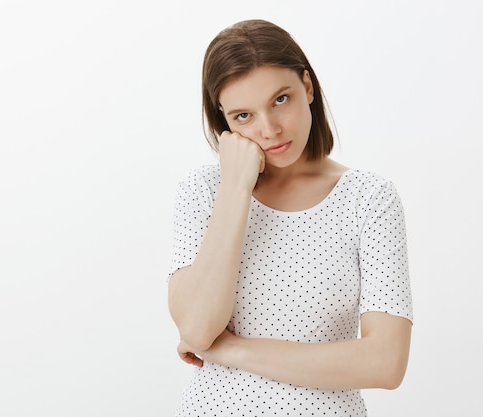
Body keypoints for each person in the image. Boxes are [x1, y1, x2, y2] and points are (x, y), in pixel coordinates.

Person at [166, 19, 413, 417]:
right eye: (243, 116)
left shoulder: (368, 199)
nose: (270, 129)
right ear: (224, 121)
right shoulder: (204, 191)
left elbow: (385, 363)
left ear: (308, 87)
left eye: (281, 99)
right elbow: (195, 329)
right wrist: (235, 188)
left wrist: (230, 349)